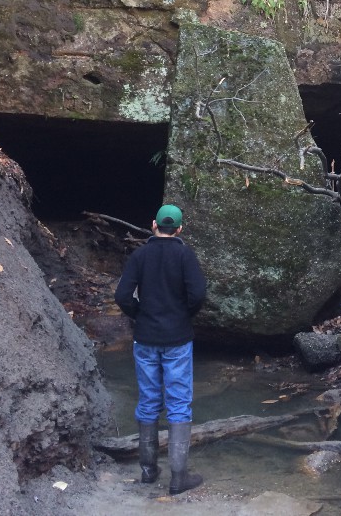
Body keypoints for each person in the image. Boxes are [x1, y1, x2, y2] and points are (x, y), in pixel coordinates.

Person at [114, 204, 207, 495]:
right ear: (179, 229)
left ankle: (148, 471)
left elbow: (122, 296)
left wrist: (139, 314)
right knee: (179, 403)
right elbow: (198, 294)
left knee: (148, 400)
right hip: (177, 339)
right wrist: (184, 314)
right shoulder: (184, 254)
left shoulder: (140, 255)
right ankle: (178, 479)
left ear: (154, 224)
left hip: (146, 338)